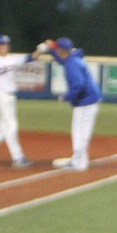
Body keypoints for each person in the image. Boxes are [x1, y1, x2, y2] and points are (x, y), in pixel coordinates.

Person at [0, 34, 44, 168]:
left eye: (5, 45)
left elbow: (31, 57)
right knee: (11, 125)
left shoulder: (14, 59)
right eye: (1, 45)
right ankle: (18, 157)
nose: (4, 47)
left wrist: (41, 48)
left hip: (10, 96)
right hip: (0, 96)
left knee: (3, 128)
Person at [42, 37, 101, 171]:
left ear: (62, 50)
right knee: (81, 131)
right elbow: (61, 59)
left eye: (57, 48)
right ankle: (79, 160)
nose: (56, 50)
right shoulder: (73, 57)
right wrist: (51, 49)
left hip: (86, 101)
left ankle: (79, 163)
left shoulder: (71, 64)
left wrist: (66, 97)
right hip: (89, 99)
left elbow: (79, 85)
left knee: (80, 133)